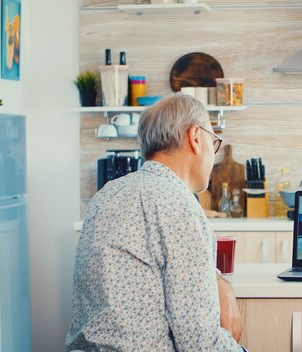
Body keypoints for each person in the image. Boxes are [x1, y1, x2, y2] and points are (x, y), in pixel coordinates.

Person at [66, 94, 247, 351]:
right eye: (213, 141)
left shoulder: (106, 194)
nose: (213, 155)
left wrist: (216, 278)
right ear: (195, 137)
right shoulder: (179, 204)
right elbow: (200, 343)